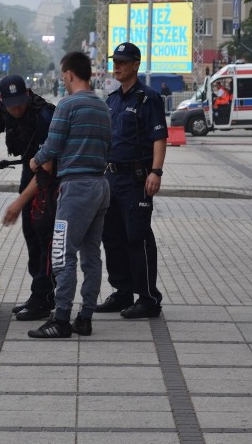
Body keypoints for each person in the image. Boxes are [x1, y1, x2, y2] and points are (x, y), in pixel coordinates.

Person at [27, 51, 111, 338]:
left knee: (62, 252)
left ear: (70, 74)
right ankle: (85, 317)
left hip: (76, 189)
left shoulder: (68, 105)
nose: (63, 80)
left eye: (63, 75)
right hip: (101, 186)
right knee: (91, 256)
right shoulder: (102, 106)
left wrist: (35, 161)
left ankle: (61, 318)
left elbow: (52, 146)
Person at [0, 74, 57, 321]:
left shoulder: (44, 116)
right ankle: (40, 294)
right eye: (10, 103)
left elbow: (46, 171)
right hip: (31, 169)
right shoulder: (0, 108)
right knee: (30, 234)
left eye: (19, 102)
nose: (15, 108)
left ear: (28, 94)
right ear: (1, 99)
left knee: (43, 235)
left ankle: (43, 298)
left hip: (51, 176)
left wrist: (18, 202)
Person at [96, 42, 168, 319]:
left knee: (137, 238)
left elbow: (159, 137)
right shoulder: (112, 100)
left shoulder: (148, 98)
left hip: (137, 178)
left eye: (123, 62)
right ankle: (122, 291)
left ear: (136, 64)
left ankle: (148, 298)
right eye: (115, 61)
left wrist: (156, 172)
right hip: (110, 178)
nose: (117, 66)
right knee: (111, 237)